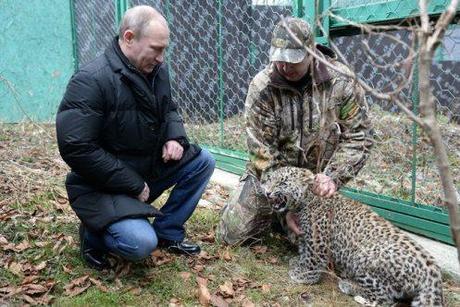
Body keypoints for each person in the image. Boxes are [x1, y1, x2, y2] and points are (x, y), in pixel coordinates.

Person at [56, 5, 215, 270]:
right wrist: (133, 184)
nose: (162, 58)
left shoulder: (154, 71)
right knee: (140, 244)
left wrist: (175, 137)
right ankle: (93, 234)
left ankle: (168, 232)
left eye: (164, 49)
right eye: (156, 48)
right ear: (129, 38)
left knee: (203, 161)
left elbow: (168, 109)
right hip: (102, 186)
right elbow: (77, 147)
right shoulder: (91, 80)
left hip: (143, 170)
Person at [217, 17, 373, 245]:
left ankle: (290, 222)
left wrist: (332, 178)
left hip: (315, 186)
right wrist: (285, 203)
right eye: (279, 59)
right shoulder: (262, 87)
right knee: (231, 236)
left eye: (293, 60)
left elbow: (360, 136)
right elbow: (261, 153)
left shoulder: (341, 82)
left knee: (325, 246)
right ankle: (272, 215)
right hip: (270, 181)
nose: (284, 66)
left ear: (311, 52)